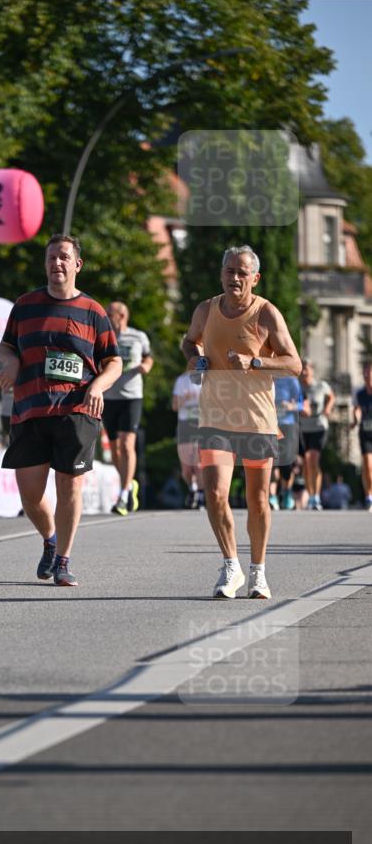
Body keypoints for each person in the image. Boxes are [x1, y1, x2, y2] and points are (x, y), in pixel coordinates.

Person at [0, 233, 121, 586]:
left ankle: (64, 560)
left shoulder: (94, 312)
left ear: (77, 264)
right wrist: (10, 363)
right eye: (51, 257)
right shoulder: (25, 305)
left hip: (76, 409)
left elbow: (114, 362)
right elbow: (6, 348)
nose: (57, 263)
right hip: (30, 409)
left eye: (64, 257)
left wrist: (97, 386)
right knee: (30, 495)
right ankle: (50, 539)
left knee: (69, 486)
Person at [181, 245, 302, 600]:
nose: (235, 278)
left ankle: (258, 572)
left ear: (255, 278)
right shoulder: (206, 310)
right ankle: (231, 564)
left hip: (256, 419)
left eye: (242, 273)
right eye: (229, 271)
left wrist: (256, 362)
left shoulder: (266, 314)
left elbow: (294, 364)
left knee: (258, 500)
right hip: (215, 417)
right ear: (221, 274)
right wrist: (195, 359)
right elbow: (189, 342)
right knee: (215, 493)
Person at [102, 302, 153, 515]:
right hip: (109, 397)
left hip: (132, 397)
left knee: (126, 444)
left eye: (109, 313)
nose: (106, 316)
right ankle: (129, 483)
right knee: (115, 450)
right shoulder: (104, 337)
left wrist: (146, 366)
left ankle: (123, 495)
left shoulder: (138, 336)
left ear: (121, 316)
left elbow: (148, 356)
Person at [298, 359, 334, 510]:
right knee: (306, 464)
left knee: (312, 459)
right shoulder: (296, 387)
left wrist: (328, 408)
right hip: (302, 428)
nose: (304, 372)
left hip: (319, 427)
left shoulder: (321, 386)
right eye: (302, 369)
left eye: (306, 369)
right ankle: (310, 494)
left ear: (312, 370)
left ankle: (316, 497)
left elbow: (331, 396)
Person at [268, 373, 305, 510]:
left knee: (286, 465)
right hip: (271, 425)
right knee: (271, 462)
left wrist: (290, 406)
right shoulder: (266, 378)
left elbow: (301, 404)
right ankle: (272, 497)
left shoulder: (291, 381)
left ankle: (287, 492)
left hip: (288, 425)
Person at [172, 370, 204, 509]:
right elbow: (174, 406)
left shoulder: (207, 378)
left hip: (201, 423)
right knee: (186, 469)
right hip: (185, 424)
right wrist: (185, 398)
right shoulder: (182, 380)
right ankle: (192, 488)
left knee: (198, 465)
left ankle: (201, 495)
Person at [351, 360, 372, 511]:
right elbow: (356, 409)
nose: (367, 375)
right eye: (365, 372)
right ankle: (369, 497)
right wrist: (356, 419)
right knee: (368, 466)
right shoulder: (359, 393)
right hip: (365, 433)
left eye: (370, 372)